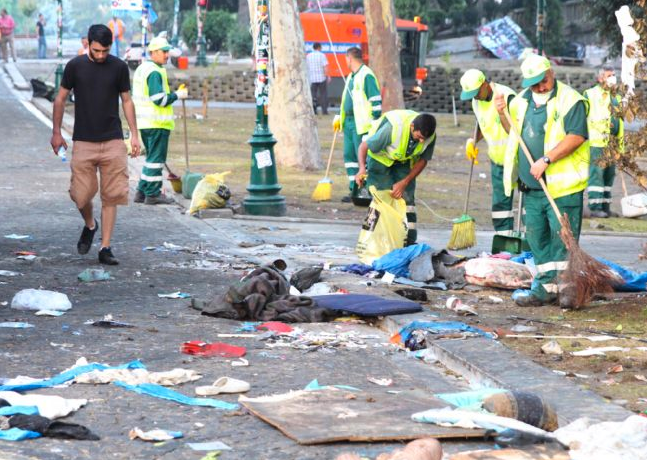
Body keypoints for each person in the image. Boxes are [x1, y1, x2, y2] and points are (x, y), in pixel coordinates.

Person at [497, 54, 589, 307]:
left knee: (563, 240)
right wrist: (502, 114)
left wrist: (546, 159)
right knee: (538, 240)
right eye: (534, 83)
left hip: (562, 187)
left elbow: (577, 136)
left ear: (551, 72)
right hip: (531, 187)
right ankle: (544, 289)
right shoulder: (521, 101)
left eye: (543, 81)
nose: (540, 87)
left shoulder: (571, 100)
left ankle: (568, 289)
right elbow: (512, 131)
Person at [50, 24, 141, 266]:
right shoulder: (74, 67)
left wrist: (134, 135)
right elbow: (60, 99)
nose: (101, 55)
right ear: (87, 44)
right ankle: (90, 224)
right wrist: (56, 132)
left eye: (105, 51)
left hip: (112, 140)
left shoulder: (119, 67)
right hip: (83, 141)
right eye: (96, 50)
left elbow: (127, 101)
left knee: (112, 195)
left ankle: (105, 247)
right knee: (80, 195)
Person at [355, 110, 436, 245]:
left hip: (403, 160)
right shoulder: (392, 129)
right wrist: (362, 168)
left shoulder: (430, 136)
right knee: (381, 198)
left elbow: (423, 160)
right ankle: (372, 240)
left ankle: (409, 241)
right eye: (419, 136)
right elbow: (364, 146)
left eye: (424, 138)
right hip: (379, 158)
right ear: (412, 127)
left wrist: (405, 182)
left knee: (407, 199)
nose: (422, 141)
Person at [460, 69, 517, 236]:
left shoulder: (506, 96)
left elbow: (518, 126)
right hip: (497, 159)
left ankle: (530, 239)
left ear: (484, 84)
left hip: (518, 157)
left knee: (527, 201)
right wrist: (473, 140)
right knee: (500, 202)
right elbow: (483, 125)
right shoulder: (476, 102)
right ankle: (504, 237)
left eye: (476, 92)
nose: (474, 96)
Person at [132, 36, 187, 205]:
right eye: (164, 52)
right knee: (156, 160)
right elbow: (159, 99)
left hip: (145, 123)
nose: (167, 55)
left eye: (167, 51)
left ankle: (141, 191)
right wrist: (177, 95)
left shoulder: (143, 68)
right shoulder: (154, 72)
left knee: (151, 159)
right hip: (157, 123)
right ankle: (152, 194)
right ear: (154, 52)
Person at [333, 47, 382, 203]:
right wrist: (339, 118)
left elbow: (376, 102)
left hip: (361, 125)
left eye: (346, 59)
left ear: (349, 58)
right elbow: (346, 101)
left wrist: (373, 126)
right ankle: (353, 189)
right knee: (350, 157)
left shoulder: (366, 75)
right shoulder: (351, 76)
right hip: (348, 123)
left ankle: (365, 190)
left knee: (362, 158)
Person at [583, 66, 624, 218]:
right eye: (609, 75)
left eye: (614, 75)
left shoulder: (616, 97)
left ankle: (605, 207)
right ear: (600, 78)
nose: (613, 78)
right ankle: (594, 207)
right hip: (596, 142)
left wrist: (620, 145)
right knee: (597, 176)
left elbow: (619, 123)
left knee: (608, 176)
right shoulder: (590, 94)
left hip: (612, 143)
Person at [306, 42, 329, 115]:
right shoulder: (322, 55)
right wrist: (327, 76)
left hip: (312, 78)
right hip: (321, 77)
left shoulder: (308, 56)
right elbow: (325, 66)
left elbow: (306, 67)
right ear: (319, 47)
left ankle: (314, 110)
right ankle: (324, 111)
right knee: (323, 94)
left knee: (313, 95)